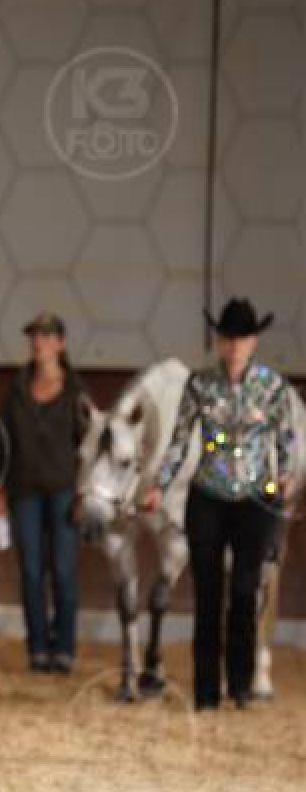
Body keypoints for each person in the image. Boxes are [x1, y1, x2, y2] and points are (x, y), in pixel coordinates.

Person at [140, 298, 295, 710]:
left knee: (245, 591)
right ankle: (206, 691)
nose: (235, 346)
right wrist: (160, 485)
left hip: (255, 500)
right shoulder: (199, 385)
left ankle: (240, 684)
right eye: (228, 338)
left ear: (254, 341)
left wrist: (284, 475)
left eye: (242, 339)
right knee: (207, 596)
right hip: (208, 497)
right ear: (219, 342)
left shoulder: (273, 387)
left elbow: (285, 437)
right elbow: (178, 441)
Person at [0, 312, 91, 674]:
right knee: (31, 572)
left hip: (65, 491)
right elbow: (2, 442)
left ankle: (64, 647)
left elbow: (89, 446)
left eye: (47, 336)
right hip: (24, 491)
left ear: (61, 344)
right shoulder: (16, 390)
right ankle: (37, 647)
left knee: (63, 570)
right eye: (34, 336)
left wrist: (84, 492)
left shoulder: (76, 392)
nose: (39, 342)